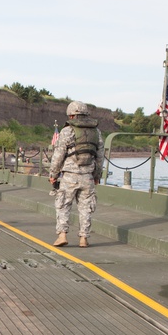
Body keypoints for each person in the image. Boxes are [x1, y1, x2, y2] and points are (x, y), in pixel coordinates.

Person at [48, 101, 104, 248]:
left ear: (71, 115)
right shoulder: (96, 132)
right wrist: (97, 175)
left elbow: (59, 155)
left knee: (63, 204)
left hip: (70, 175)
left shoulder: (67, 131)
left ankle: (62, 235)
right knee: (86, 208)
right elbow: (100, 156)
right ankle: (84, 238)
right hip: (88, 176)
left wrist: (53, 174)